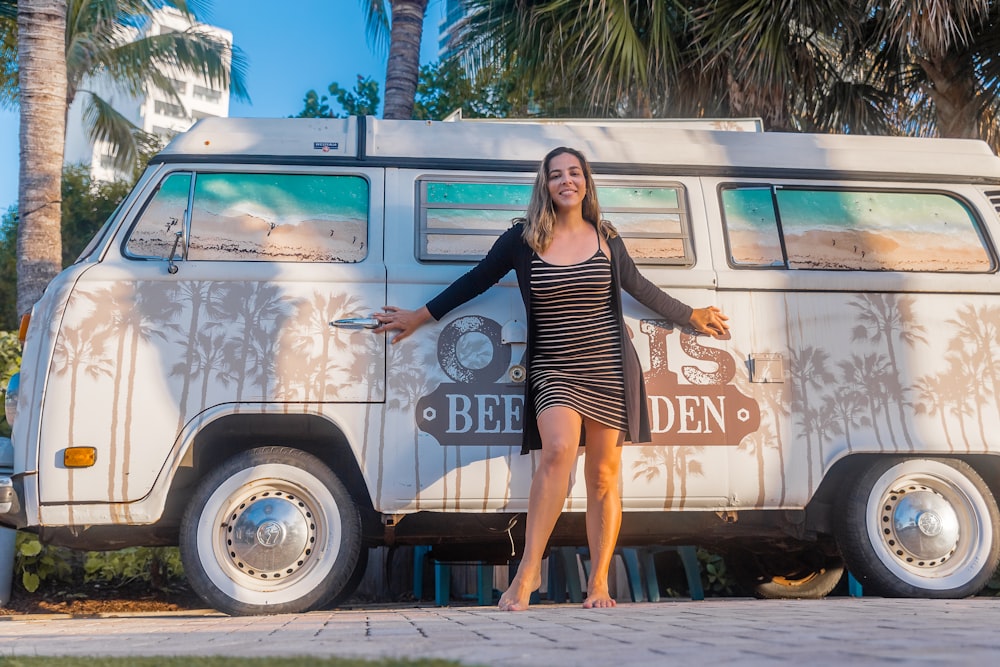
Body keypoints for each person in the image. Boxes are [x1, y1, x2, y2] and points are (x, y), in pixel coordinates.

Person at [374, 147, 730, 611]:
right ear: (544, 183)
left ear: (586, 181)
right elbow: (476, 280)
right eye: (556, 174)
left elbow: (638, 287)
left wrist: (692, 315)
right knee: (557, 451)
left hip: (607, 364)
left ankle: (598, 582)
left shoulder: (605, 236)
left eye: (574, 173)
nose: (567, 181)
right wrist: (419, 316)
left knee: (603, 475)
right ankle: (527, 571)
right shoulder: (523, 239)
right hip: (554, 365)